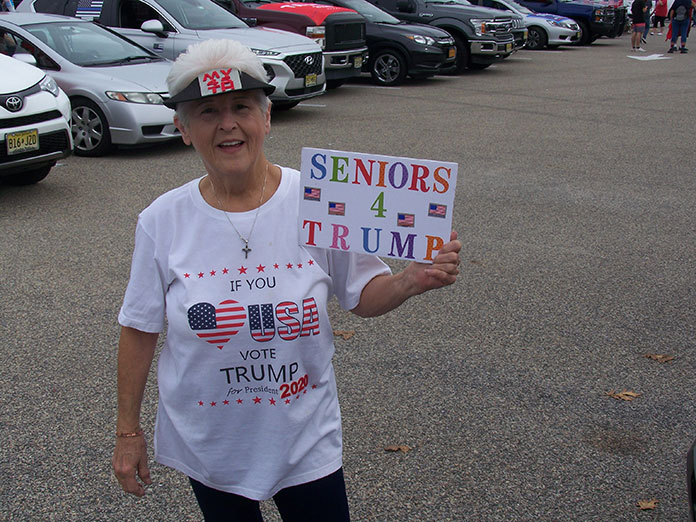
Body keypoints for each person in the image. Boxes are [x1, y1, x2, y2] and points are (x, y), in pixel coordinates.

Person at [111, 38, 462, 521]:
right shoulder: (162, 220)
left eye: (241, 107)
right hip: (212, 442)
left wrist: (410, 280)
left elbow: (361, 295)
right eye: (208, 112)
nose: (228, 124)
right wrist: (127, 432)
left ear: (267, 117)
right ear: (184, 129)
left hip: (304, 438)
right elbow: (139, 327)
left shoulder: (319, 201)